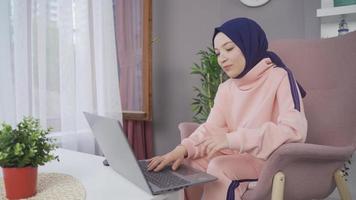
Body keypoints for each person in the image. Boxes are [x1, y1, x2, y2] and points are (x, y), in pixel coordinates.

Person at [148, 17, 308, 200]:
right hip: (236, 157)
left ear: (248, 44)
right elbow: (211, 129)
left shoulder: (280, 76)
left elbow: (294, 131)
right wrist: (182, 150)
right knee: (188, 162)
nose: (221, 59)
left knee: (221, 167)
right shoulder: (226, 88)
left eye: (229, 49)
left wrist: (234, 139)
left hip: (268, 160)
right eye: (217, 53)